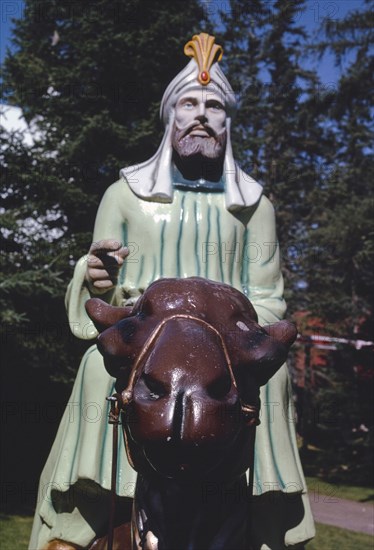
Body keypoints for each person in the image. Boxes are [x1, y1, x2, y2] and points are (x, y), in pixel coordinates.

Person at [30, 33, 315, 549]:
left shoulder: (254, 207)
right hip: (143, 338)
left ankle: (268, 514)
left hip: (227, 341)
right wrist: (94, 275)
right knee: (99, 369)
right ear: (171, 117)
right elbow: (102, 284)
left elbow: (270, 297)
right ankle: (89, 512)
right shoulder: (126, 195)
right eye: (189, 103)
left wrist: (236, 325)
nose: (202, 114)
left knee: (270, 382)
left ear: (229, 123)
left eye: (214, 106)